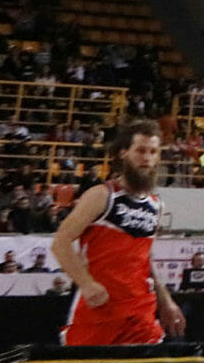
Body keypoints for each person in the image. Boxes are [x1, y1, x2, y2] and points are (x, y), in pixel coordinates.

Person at [52, 121, 186, 346]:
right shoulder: (102, 195)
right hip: (99, 313)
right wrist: (85, 283)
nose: (147, 158)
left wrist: (166, 300)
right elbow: (60, 242)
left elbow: (146, 258)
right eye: (140, 150)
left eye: (153, 152)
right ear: (124, 153)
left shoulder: (156, 205)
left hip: (140, 314)